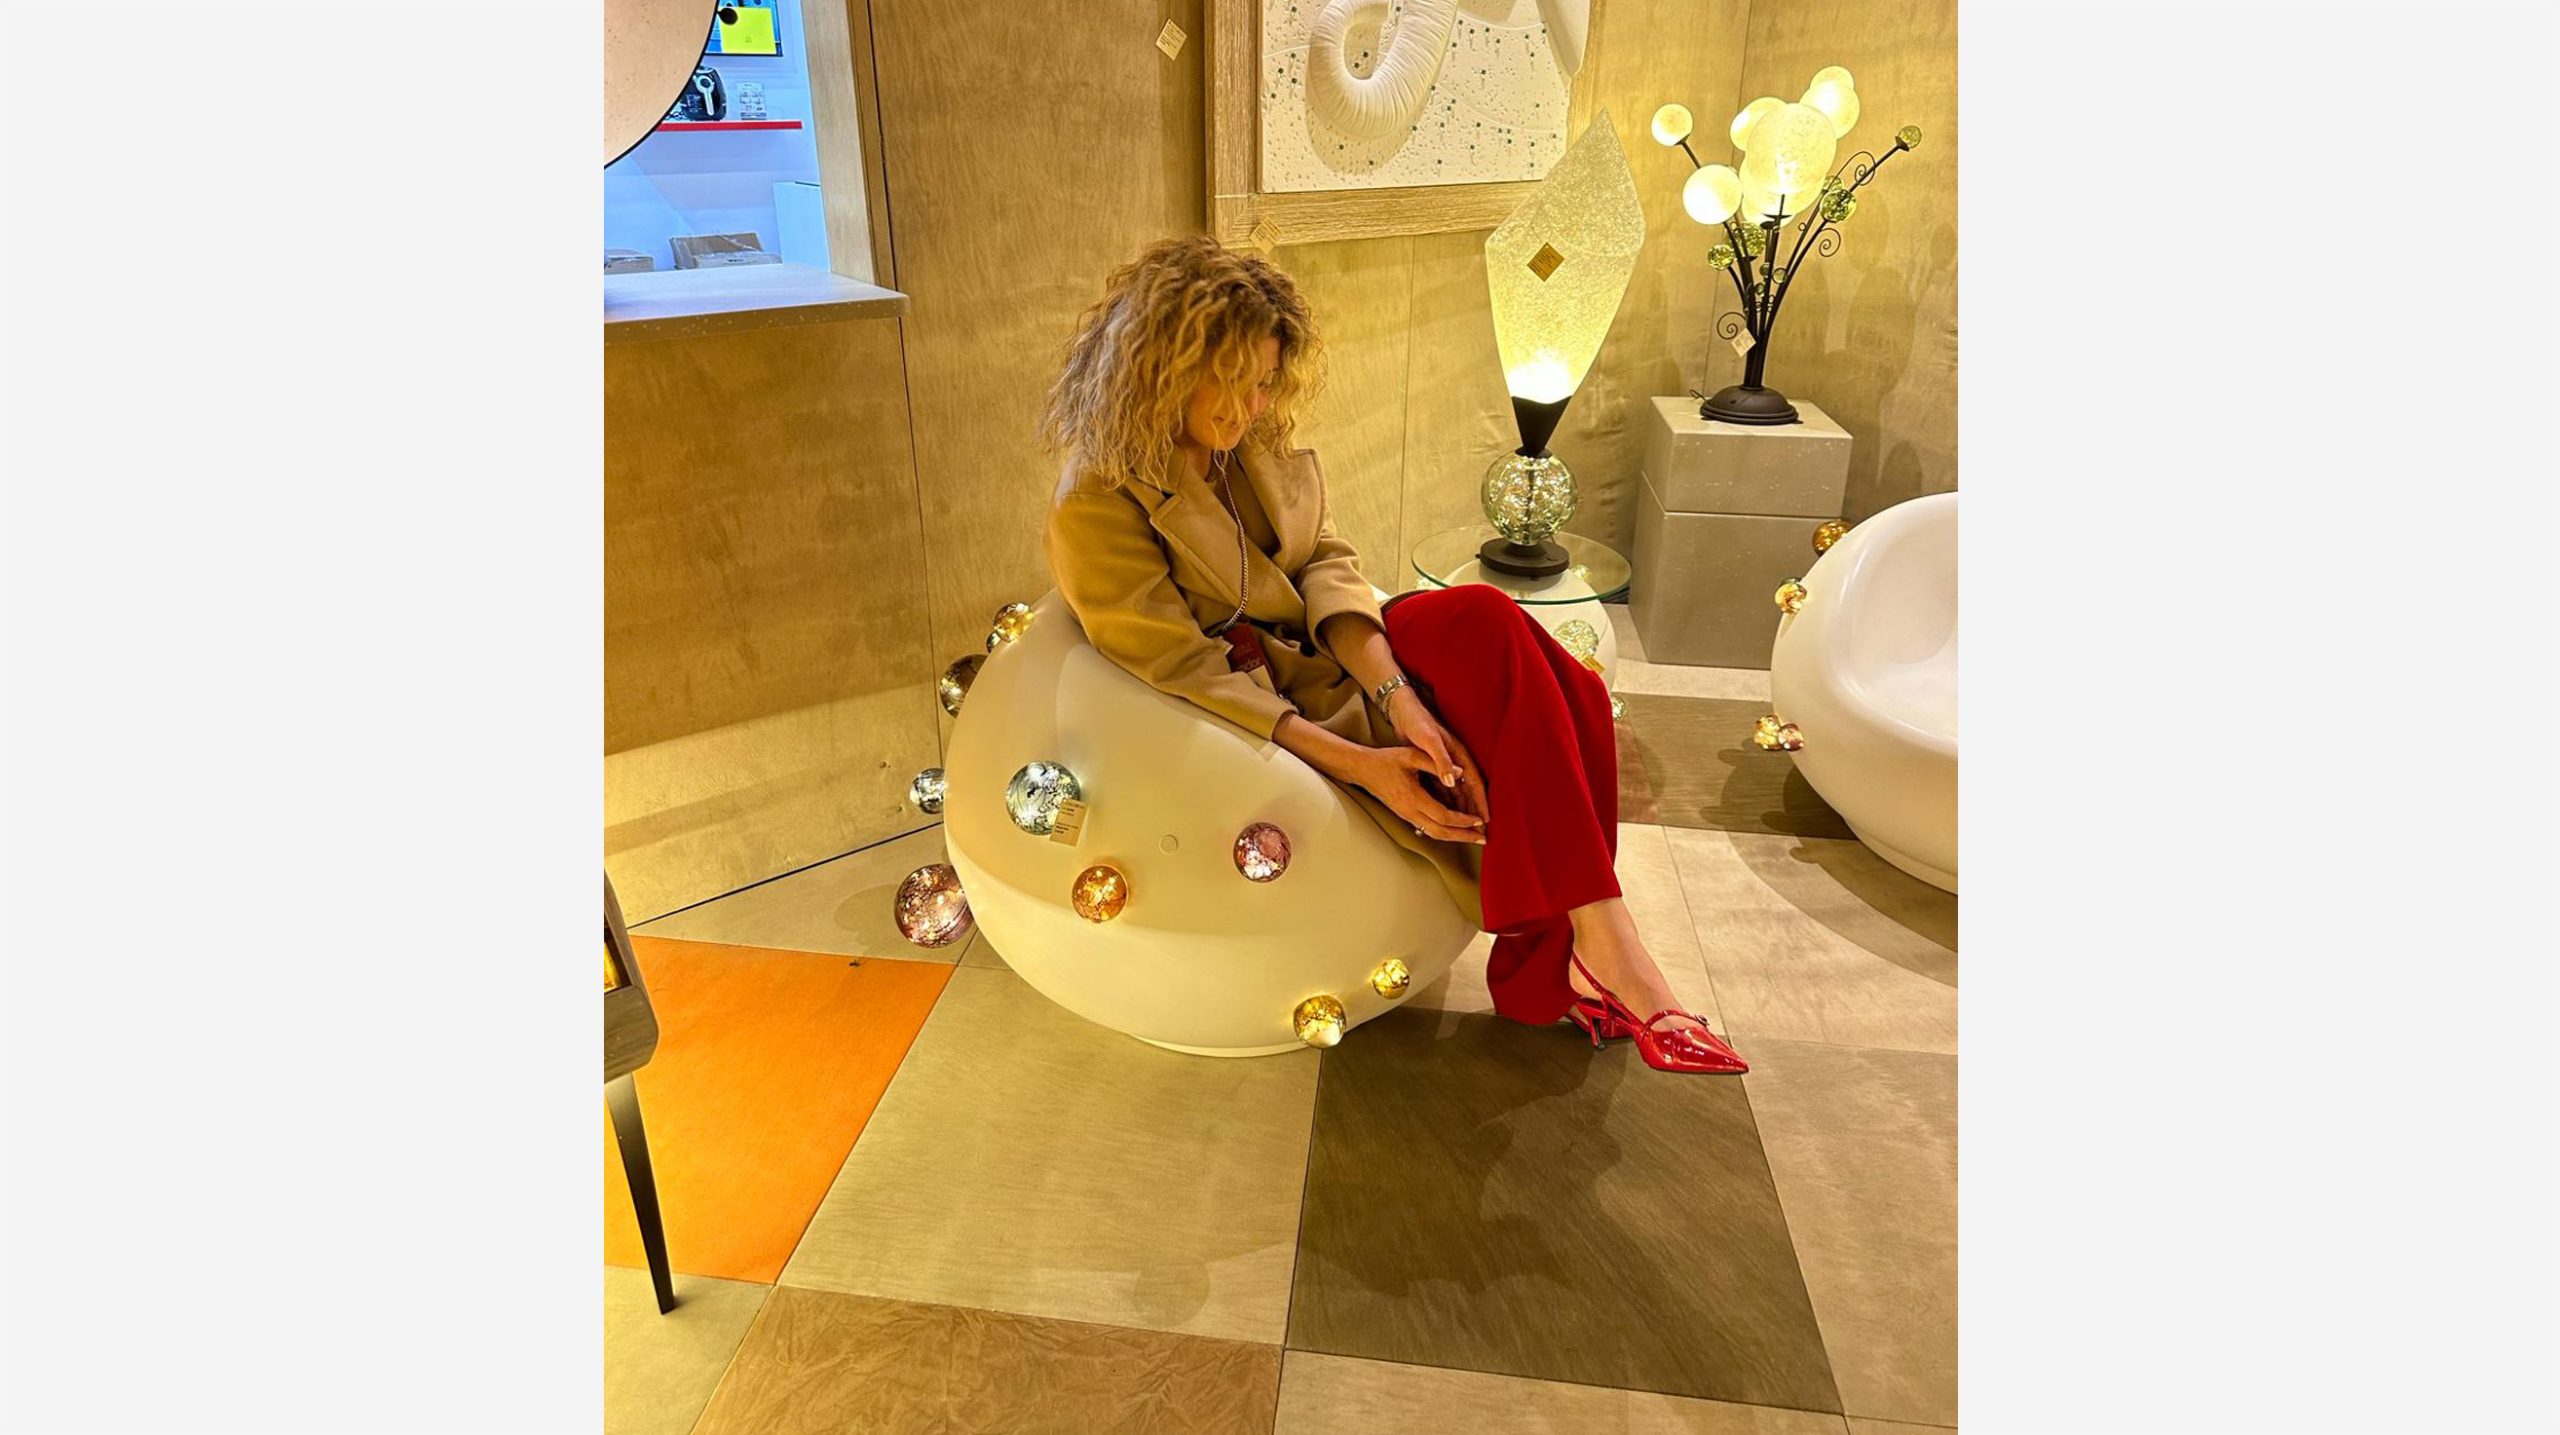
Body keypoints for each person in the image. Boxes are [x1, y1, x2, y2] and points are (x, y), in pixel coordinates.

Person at [1036, 234, 1743, 1075]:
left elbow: (1326, 561)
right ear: (1168, 368)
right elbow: (1184, 669)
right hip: (1273, 693)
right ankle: (1605, 955)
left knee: (1507, 633)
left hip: (1346, 645)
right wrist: (1366, 765)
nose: (1257, 404)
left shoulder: (1249, 440)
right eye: (1239, 381)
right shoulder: (1096, 502)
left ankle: (1588, 947)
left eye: (1267, 381)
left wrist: (1398, 695)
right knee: (1559, 699)